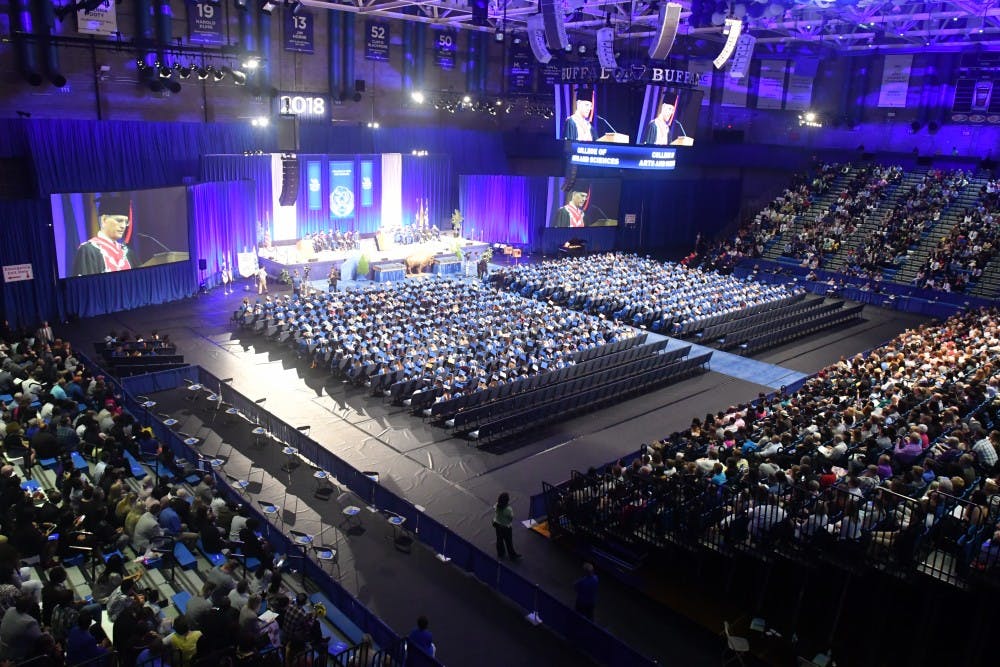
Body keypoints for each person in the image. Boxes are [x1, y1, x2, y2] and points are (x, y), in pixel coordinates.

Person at [72, 209, 132, 276]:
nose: (123, 226)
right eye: (119, 220)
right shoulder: (88, 250)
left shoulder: (127, 252)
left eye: (126, 222)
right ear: (104, 219)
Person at [492, 491, 521, 560]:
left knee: (499, 539)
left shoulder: (496, 505)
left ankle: (500, 553)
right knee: (508, 541)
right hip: (506, 527)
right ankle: (512, 555)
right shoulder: (508, 509)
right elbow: (511, 518)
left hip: (497, 525)